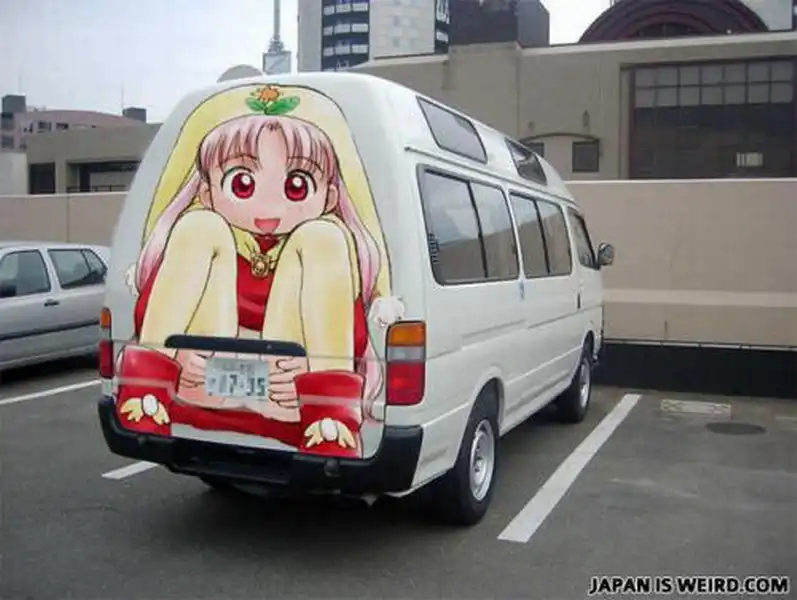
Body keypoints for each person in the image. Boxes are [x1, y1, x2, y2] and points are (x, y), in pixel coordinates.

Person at [114, 85, 403, 458]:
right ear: (206, 193)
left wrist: (312, 366)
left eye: (296, 186)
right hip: (199, 382)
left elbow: (344, 325)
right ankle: (146, 388)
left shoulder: (325, 249)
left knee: (323, 236)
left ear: (330, 197)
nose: (269, 207)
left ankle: (331, 413)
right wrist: (179, 356)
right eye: (242, 183)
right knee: (199, 226)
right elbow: (162, 302)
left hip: (290, 394)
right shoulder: (200, 235)